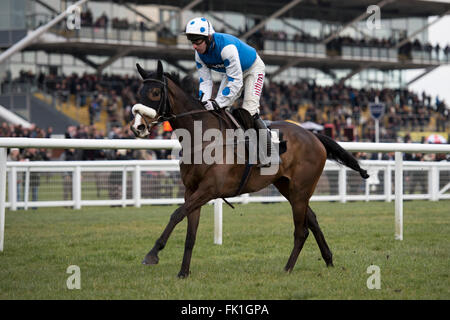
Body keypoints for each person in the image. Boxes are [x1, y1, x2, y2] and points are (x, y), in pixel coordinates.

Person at [184, 17, 278, 167]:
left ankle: (269, 153)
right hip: (233, 73)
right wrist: (204, 103)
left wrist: (217, 102)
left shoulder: (226, 48)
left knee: (249, 110)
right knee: (218, 110)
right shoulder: (199, 54)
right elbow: (205, 82)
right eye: (192, 42)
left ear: (208, 37)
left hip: (253, 69)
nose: (194, 46)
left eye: (197, 41)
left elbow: (236, 82)